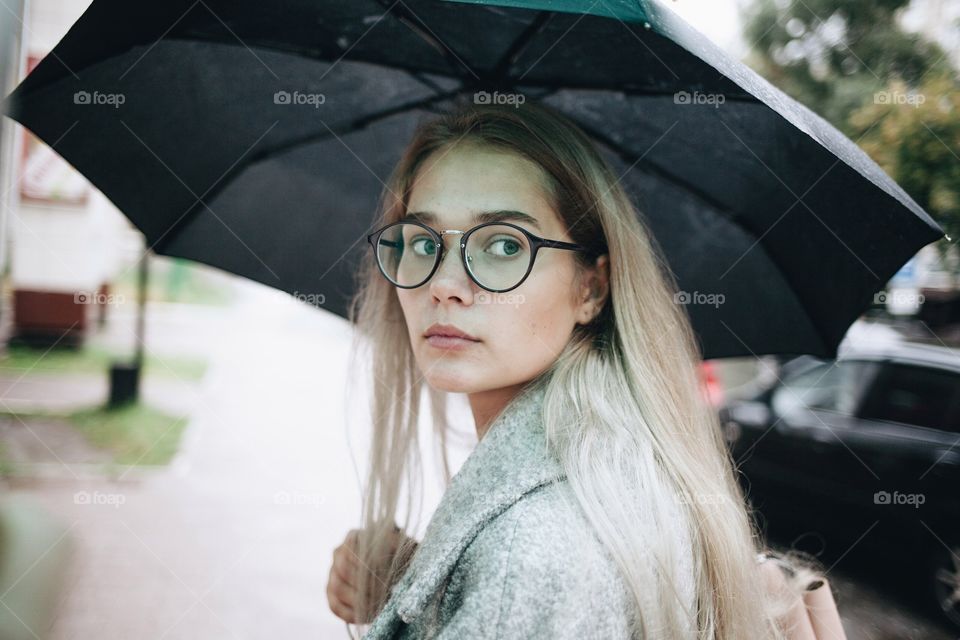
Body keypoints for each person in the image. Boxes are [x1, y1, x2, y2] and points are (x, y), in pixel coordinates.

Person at [326, 99, 846, 639]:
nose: (443, 284)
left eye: (505, 244)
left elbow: (528, 584)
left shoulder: (526, 555)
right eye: (423, 242)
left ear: (591, 288)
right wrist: (421, 587)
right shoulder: (616, 475)